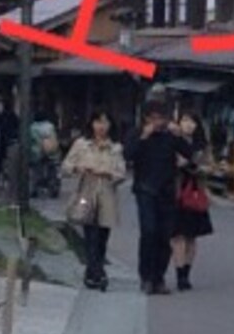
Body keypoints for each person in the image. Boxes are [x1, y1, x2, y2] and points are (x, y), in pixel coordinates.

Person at [124, 98, 193, 295]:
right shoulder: (138, 133)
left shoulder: (170, 135)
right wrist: (143, 137)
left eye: (161, 118)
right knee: (149, 232)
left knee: (165, 236)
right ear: (146, 118)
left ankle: (159, 277)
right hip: (145, 190)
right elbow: (128, 155)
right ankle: (146, 277)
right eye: (153, 118)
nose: (158, 122)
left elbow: (188, 153)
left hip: (167, 190)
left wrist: (180, 135)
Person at [61, 110, 126, 290]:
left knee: (102, 236)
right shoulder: (82, 144)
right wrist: (79, 168)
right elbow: (66, 166)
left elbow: (121, 173)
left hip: (106, 195)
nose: (101, 126)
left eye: (105, 122)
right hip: (85, 194)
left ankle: (92, 272)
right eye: (98, 122)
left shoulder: (115, 147)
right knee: (90, 234)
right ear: (91, 123)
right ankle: (97, 272)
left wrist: (108, 173)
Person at [170, 110, 213, 291]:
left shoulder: (202, 146)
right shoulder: (172, 142)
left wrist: (194, 166)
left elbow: (209, 166)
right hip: (176, 192)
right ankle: (179, 274)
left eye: (192, 121)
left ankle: (186, 272)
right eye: (185, 120)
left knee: (191, 237)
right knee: (177, 236)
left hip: (195, 192)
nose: (188, 125)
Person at [0, 98, 18, 191]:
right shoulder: (13, 116)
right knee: (11, 164)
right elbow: (18, 126)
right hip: (11, 142)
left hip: (2, 141)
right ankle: (10, 183)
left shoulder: (1, 116)